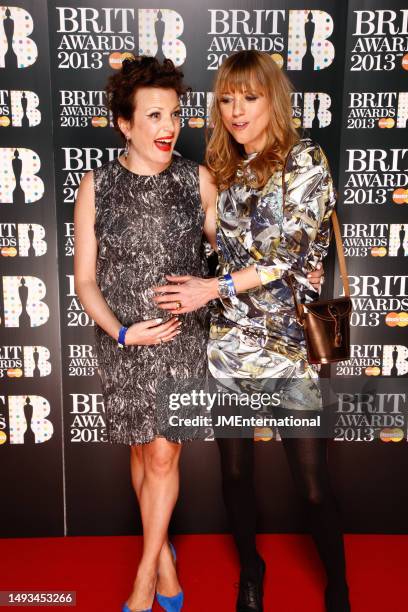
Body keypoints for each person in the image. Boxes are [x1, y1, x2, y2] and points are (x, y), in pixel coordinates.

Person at [153, 50, 350, 612]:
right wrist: (210, 275)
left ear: (273, 99)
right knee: (235, 477)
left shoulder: (306, 160)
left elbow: (286, 253)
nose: (236, 110)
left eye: (250, 97)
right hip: (231, 346)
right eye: (226, 98)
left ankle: (337, 585)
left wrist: (211, 289)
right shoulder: (222, 167)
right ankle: (252, 570)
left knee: (312, 487)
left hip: (291, 351)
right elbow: (226, 249)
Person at [74, 56, 218, 612]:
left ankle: (145, 585)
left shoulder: (196, 179)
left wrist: (213, 286)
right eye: (154, 115)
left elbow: (232, 257)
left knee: (163, 458)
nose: (168, 127)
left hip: (183, 341)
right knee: (141, 453)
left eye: (175, 115)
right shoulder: (97, 186)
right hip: (125, 346)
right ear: (124, 124)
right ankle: (163, 557)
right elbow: (85, 281)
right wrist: (121, 334)